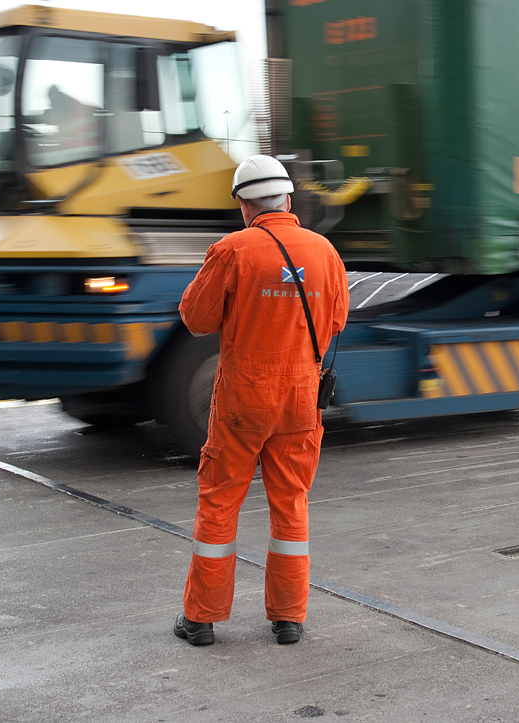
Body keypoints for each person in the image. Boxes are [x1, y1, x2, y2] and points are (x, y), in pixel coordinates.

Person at [174, 155, 349, 646]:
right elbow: (336, 320)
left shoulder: (233, 250)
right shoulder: (324, 251)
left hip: (243, 398)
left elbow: (196, 318)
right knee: (291, 504)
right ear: (288, 199)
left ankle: (202, 619)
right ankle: (289, 618)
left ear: (244, 206)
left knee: (219, 502)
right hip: (300, 397)